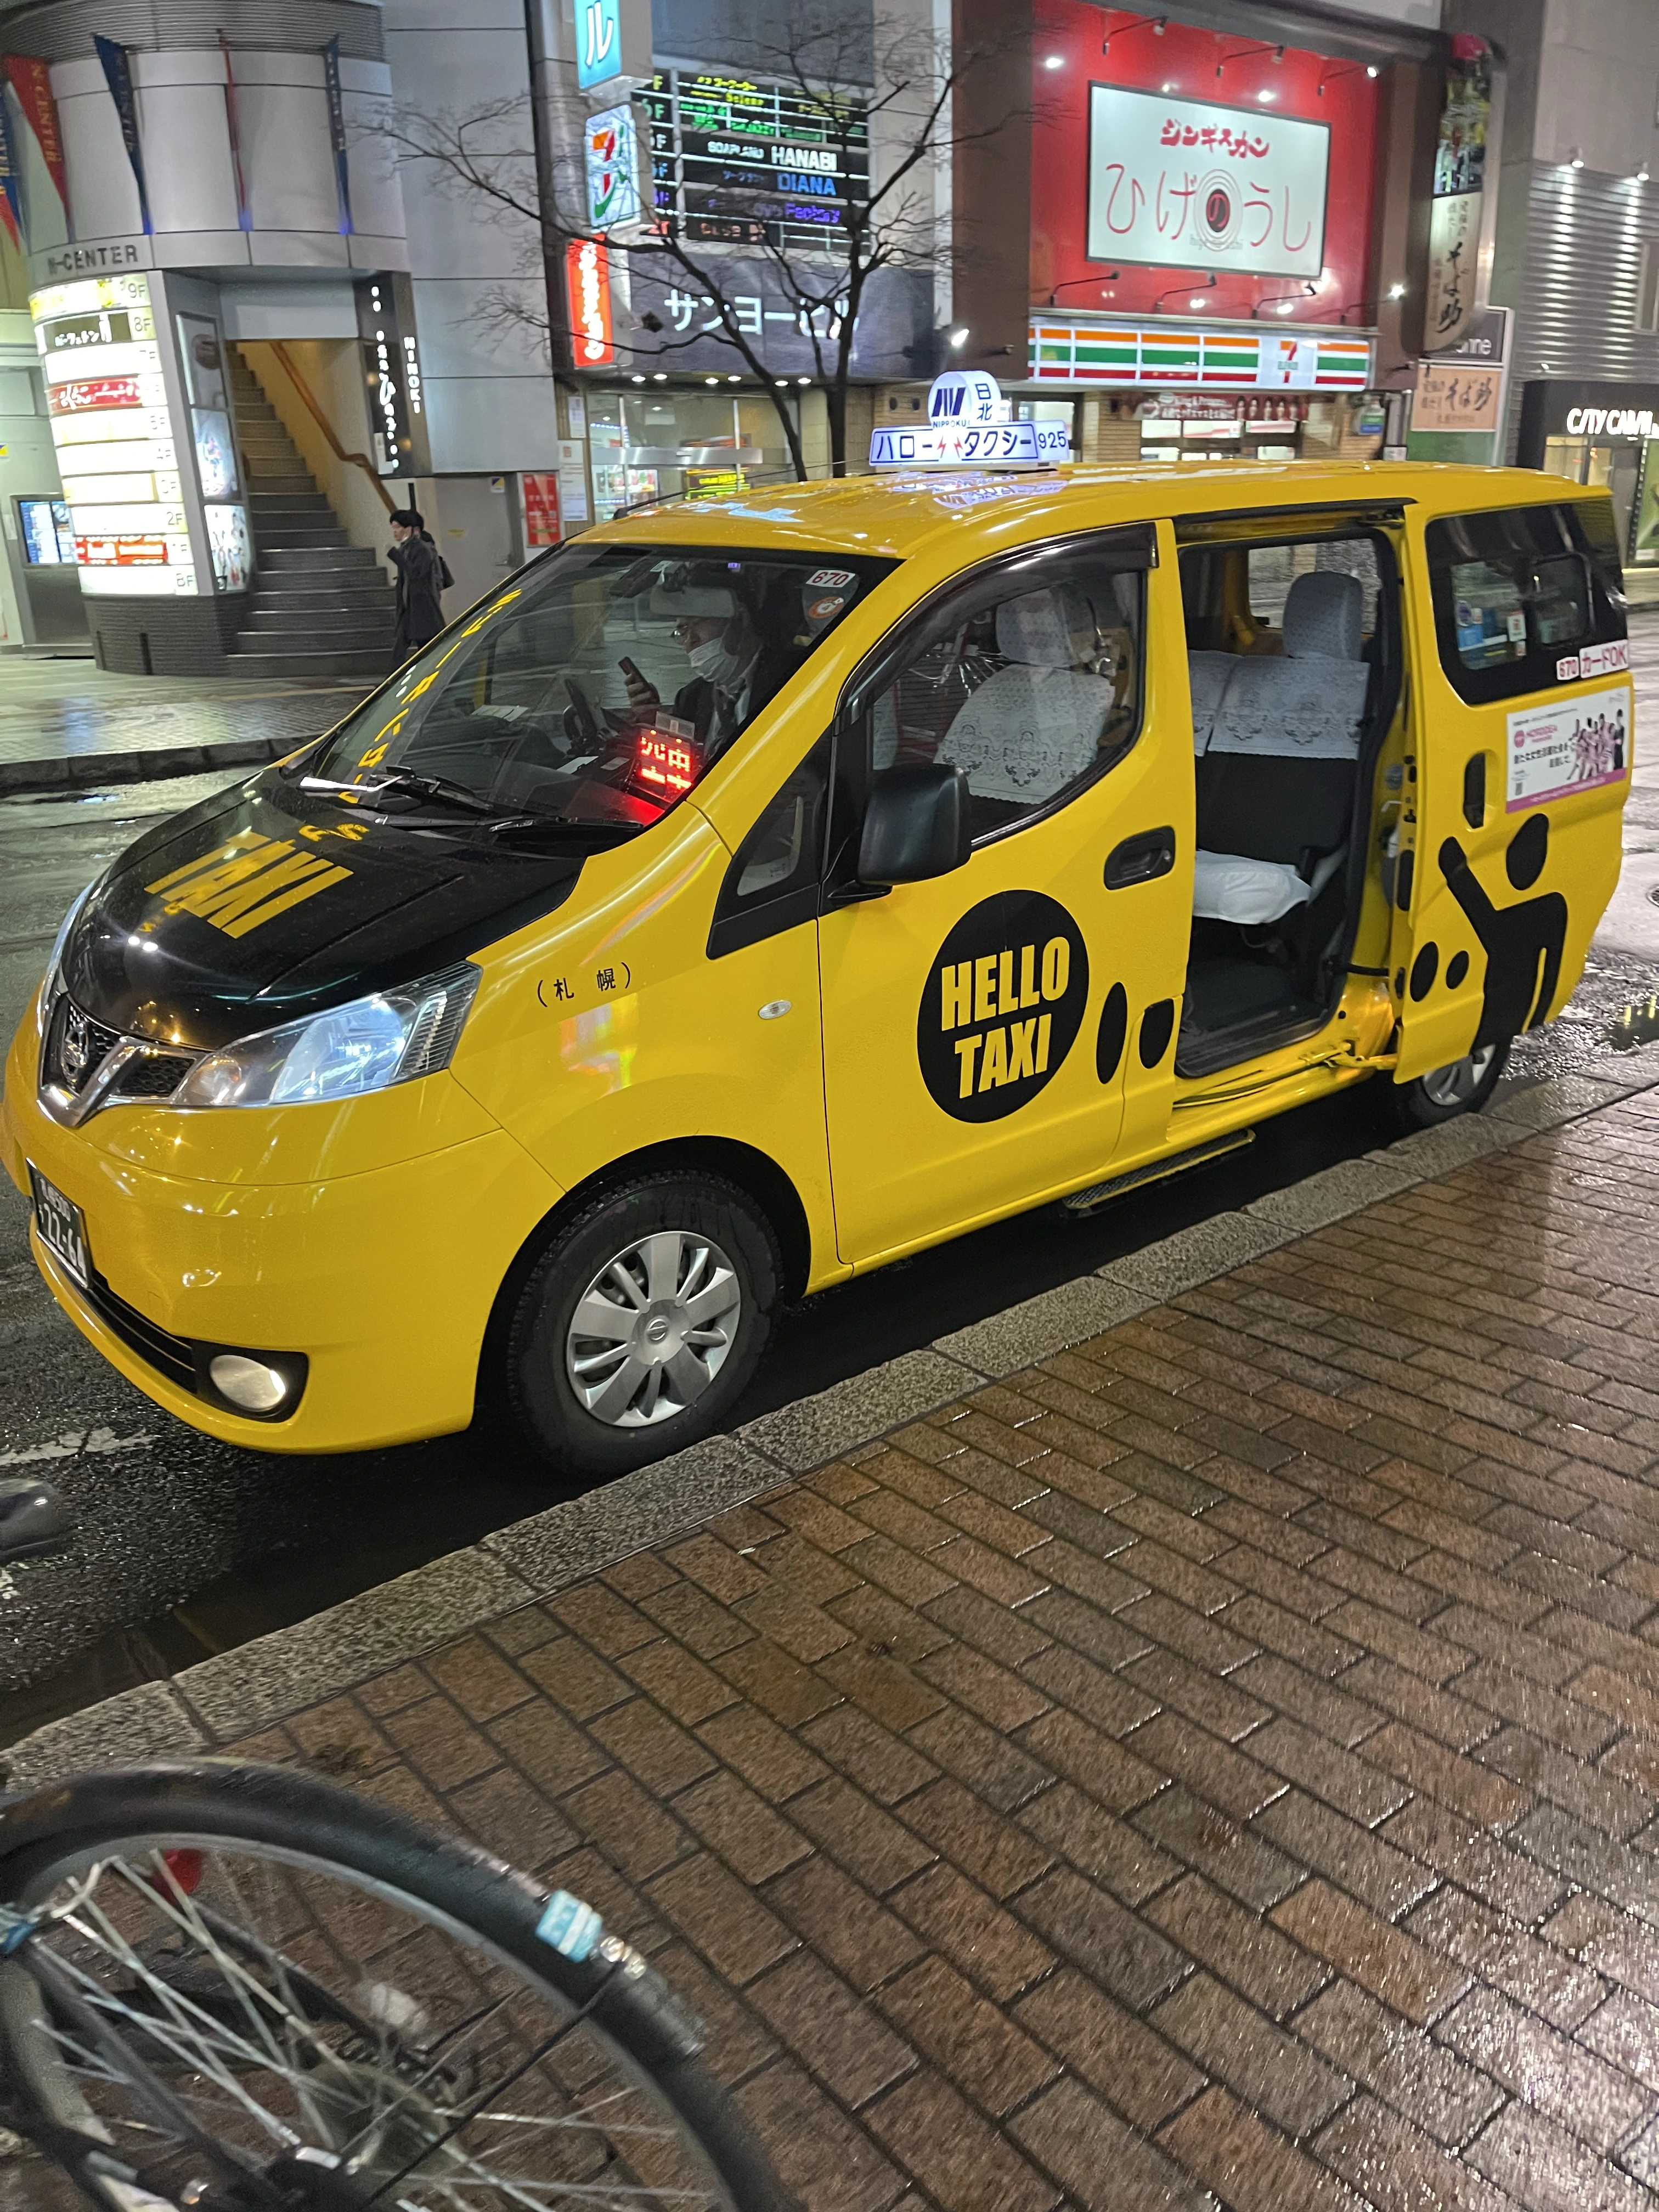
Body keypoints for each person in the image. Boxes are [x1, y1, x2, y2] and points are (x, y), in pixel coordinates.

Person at [621, 573, 762, 755]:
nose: (690, 640)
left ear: (740, 619)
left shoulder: (791, 684)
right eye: (682, 630)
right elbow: (680, 764)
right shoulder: (691, 697)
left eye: (698, 623)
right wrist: (653, 721)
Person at [388, 507, 446, 658]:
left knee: (426, 646)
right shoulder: (407, 548)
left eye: (398, 527)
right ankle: (394, 679)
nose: (395, 532)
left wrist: (395, 556)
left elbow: (416, 573)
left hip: (422, 603)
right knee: (405, 646)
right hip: (410, 605)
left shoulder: (423, 547)